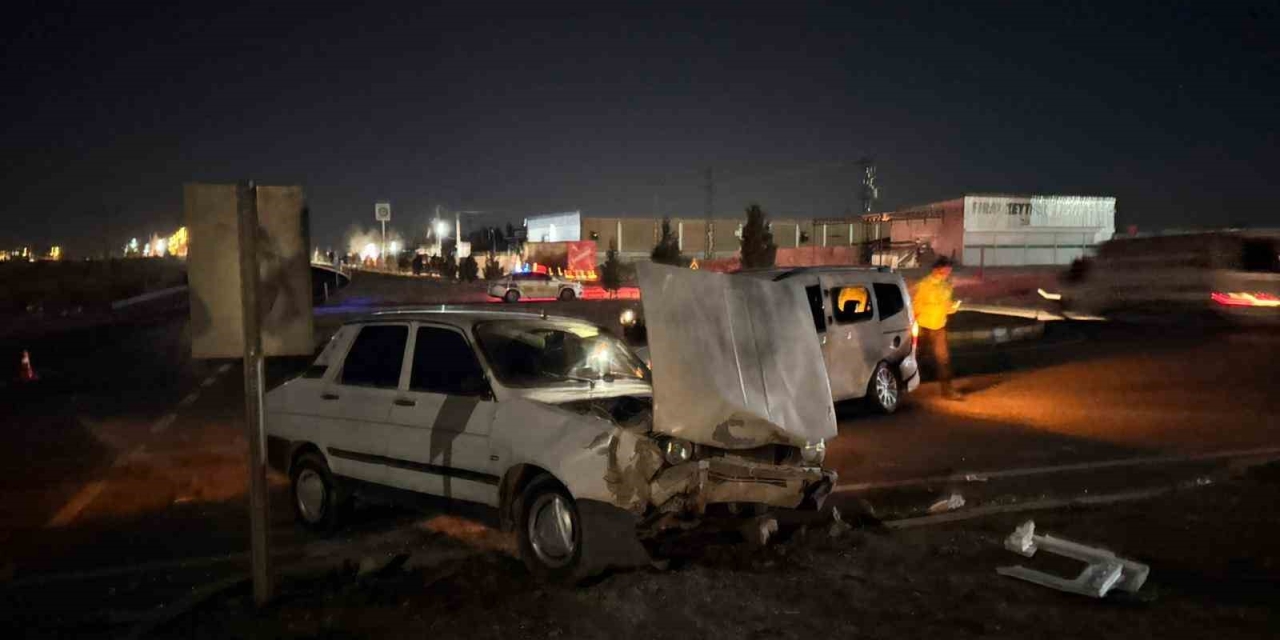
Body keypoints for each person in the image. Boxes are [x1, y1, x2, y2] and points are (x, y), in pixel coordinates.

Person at [912, 256, 962, 400]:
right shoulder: (924, 285)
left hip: (939, 326)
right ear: (936, 270)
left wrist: (953, 307)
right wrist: (913, 322)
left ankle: (947, 391)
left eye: (949, 271)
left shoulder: (946, 286)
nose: (947, 274)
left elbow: (947, 305)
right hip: (923, 326)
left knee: (943, 359)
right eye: (945, 271)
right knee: (915, 357)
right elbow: (916, 305)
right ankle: (903, 387)